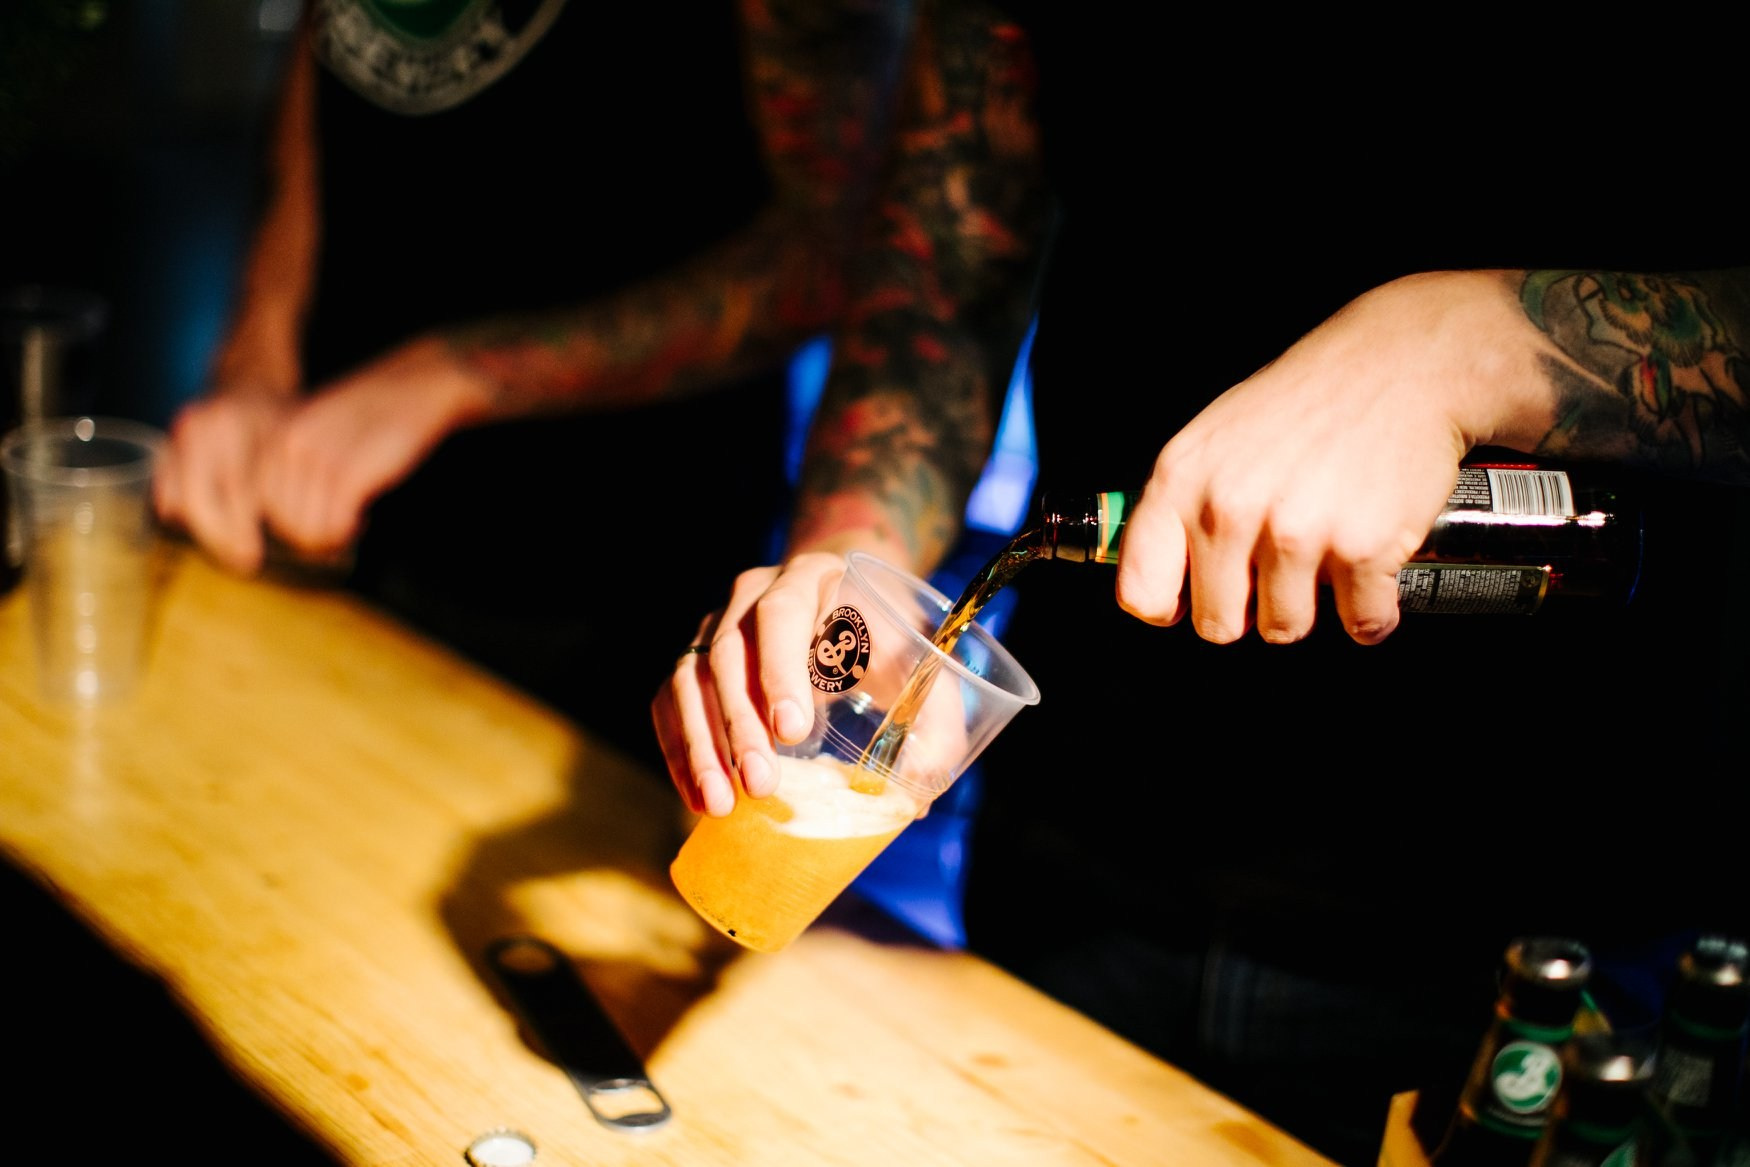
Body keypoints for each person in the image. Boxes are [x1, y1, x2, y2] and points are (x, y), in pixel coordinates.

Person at [650, 3, 1750, 1163]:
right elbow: (946, 285)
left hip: (1530, 924)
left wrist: (1468, 343)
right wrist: (848, 562)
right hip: (1087, 848)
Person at [153, 0, 911, 760]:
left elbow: (836, 249)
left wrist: (455, 375)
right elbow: (333, 50)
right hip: (315, 509)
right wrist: (259, 355)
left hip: (600, 572)